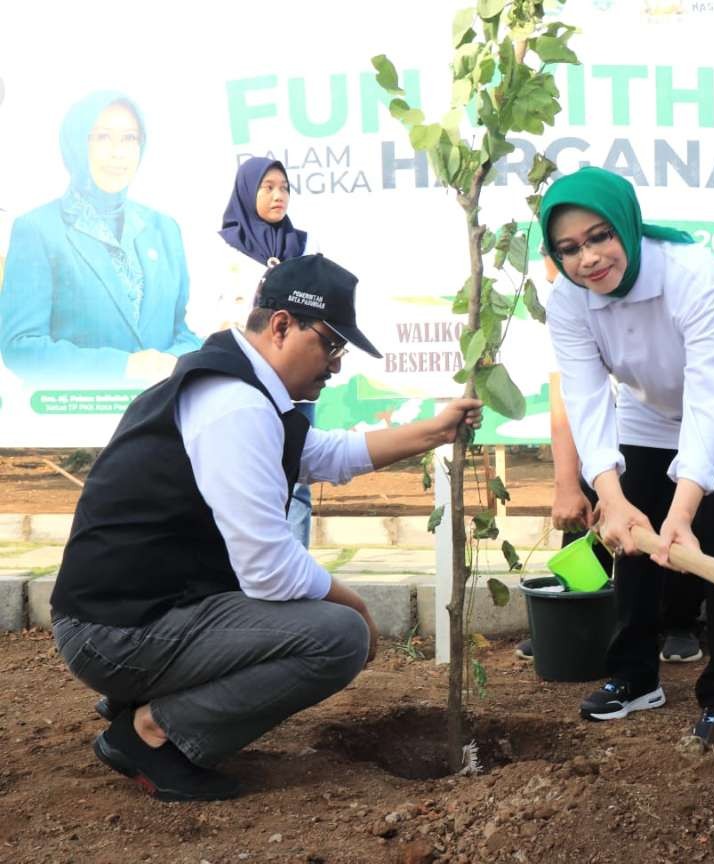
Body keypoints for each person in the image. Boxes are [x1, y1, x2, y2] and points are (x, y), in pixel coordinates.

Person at [50, 254, 482, 801]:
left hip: (126, 617)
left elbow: (327, 453)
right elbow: (269, 569)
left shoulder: (239, 389)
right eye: (331, 344)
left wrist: (434, 432)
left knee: (316, 617)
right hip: (115, 635)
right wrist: (360, 609)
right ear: (281, 325)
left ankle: (145, 701)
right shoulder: (234, 405)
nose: (336, 364)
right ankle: (154, 732)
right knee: (338, 637)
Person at [540, 167, 714, 735]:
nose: (589, 259)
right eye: (569, 248)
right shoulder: (568, 301)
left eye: (600, 236)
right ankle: (635, 676)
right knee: (631, 533)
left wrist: (683, 514)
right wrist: (611, 495)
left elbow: (710, 393)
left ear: (626, 226)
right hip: (651, 402)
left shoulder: (690, 273)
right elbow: (585, 398)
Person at [0, 90, 200, 385]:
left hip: (160, 417)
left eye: (129, 138)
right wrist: (124, 367)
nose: (118, 152)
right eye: (103, 137)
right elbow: (21, 346)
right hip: (77, 420)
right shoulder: (38, 229)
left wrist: (172, 361)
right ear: (77, 142)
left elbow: (182, 331)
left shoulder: (164, 229)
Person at [516, 370, 705, 664]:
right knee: (585, 510)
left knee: (672, 515)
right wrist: (566, 484)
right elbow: (565, 397)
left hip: (678, 421)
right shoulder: (575, 330)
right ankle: (577, 618)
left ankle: (678, 623)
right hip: (607, 430)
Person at [217, 156, 319, 547]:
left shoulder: (304, 246)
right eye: (268, 187)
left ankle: (294, 578)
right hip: (242, 381)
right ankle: (242, 573)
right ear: (247, 191)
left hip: (292, 382)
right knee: (239, 474)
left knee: (296, 480)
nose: (279, 196)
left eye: (285, 188)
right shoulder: (223, 249)